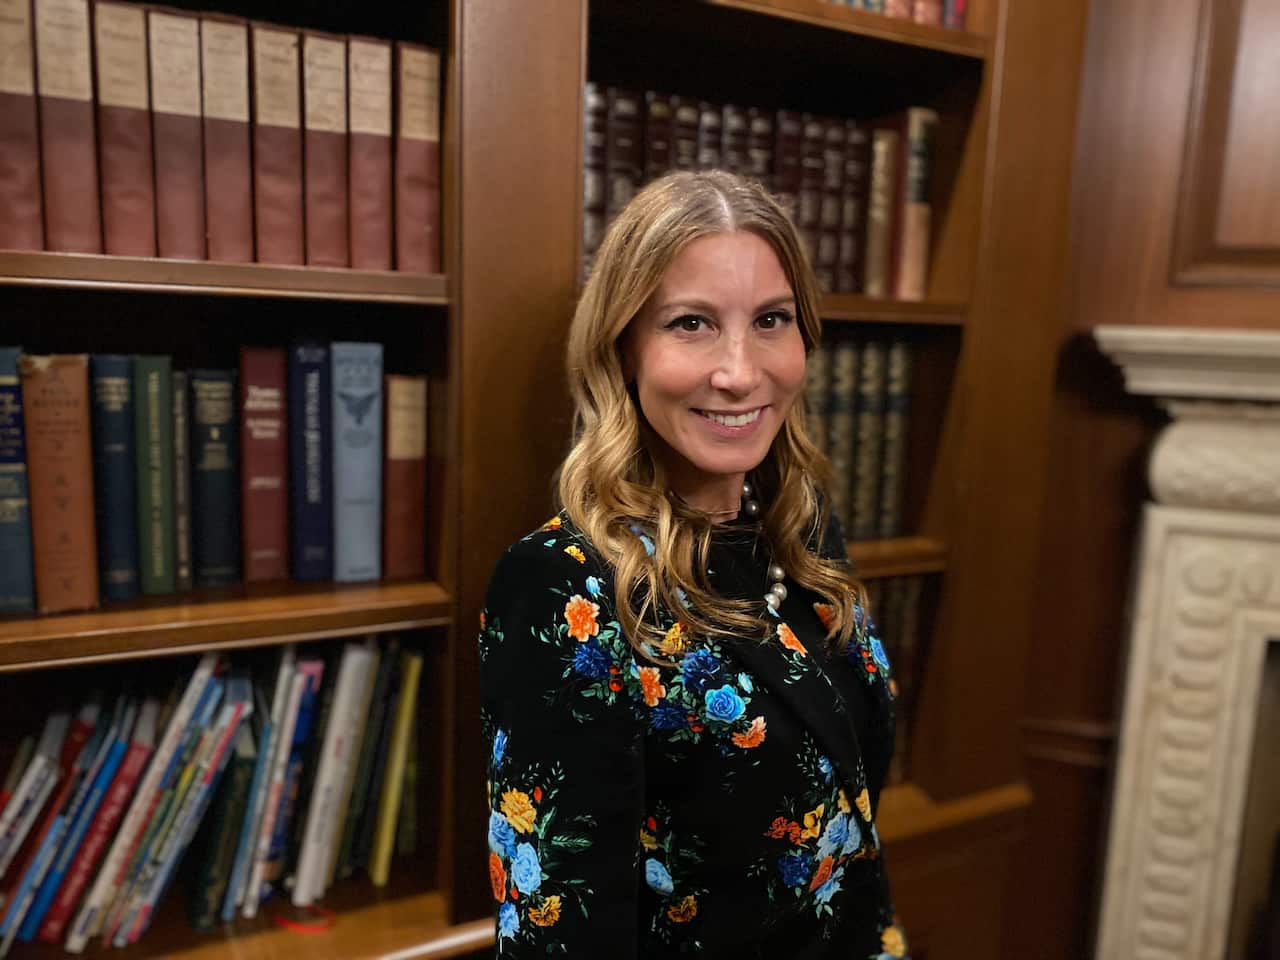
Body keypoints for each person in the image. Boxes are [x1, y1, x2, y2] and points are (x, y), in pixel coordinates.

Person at [479, 170, 909, 959]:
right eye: (692, 324)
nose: (741, 371)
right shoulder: (563, 585)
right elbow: (560, 938)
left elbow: (852, 835)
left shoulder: (797, 526)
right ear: (622, 346)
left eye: (771, 319)